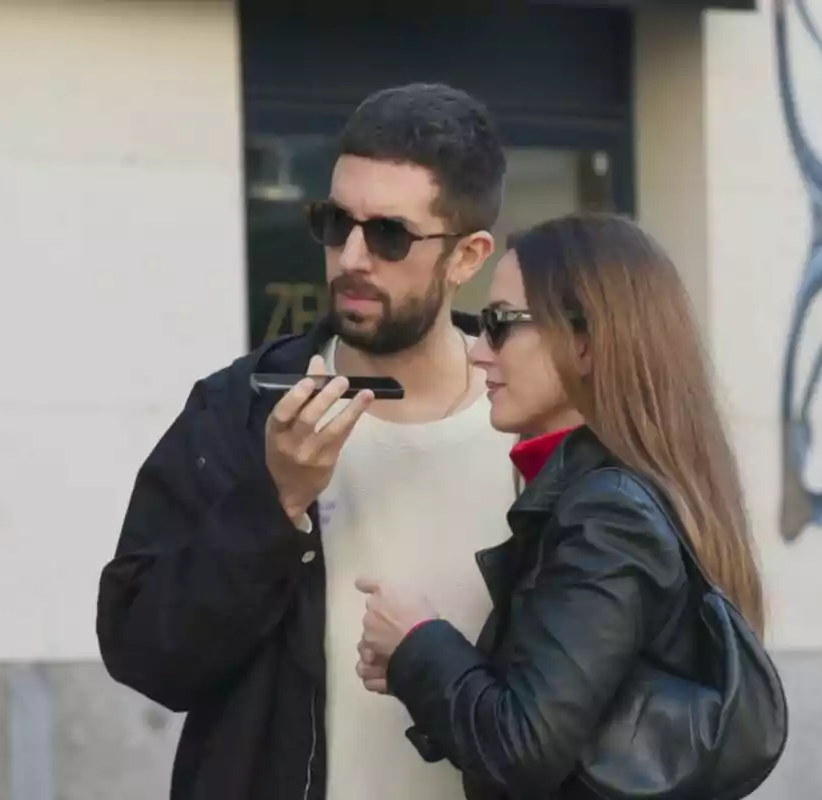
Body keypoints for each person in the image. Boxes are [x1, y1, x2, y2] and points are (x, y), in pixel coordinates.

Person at [96, 83, 517, 800]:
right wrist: (274, 502)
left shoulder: (538, 423)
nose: (352, 256)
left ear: (468, 255)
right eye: (334, 222)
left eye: (389, 234)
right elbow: (146, 655)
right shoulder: (241, 408)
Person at [354, 213, 767, 799]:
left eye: (499, 324)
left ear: (586, 342)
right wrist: (417, 665)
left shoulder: (609, 513)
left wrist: (421, 640)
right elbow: (576, 730)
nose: (477, 351)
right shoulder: (619, 492)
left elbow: (525, 749)